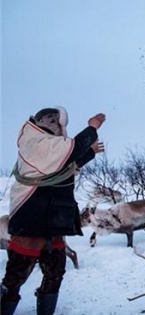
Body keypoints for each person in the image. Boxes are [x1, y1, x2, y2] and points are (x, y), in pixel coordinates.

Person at [0, 107, 106, 315]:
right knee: (15, 276)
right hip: (31, 220)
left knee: (55, 272)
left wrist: (91, 151)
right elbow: (71, 150)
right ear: (51, 122)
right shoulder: (36, 144)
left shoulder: (49, 147)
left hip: (53, 222)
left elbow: (66, 165)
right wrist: (92, 127)